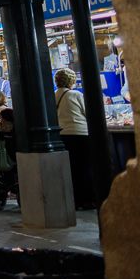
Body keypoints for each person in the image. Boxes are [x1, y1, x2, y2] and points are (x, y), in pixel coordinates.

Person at [54, 68, 95, 210]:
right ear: (71, 80)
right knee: (86, 168)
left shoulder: (54, 95)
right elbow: (88, 112)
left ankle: (76, 200)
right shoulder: (75, 94)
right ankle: (88, 200)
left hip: (63, 135)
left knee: (73, 169)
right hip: (81, 134)